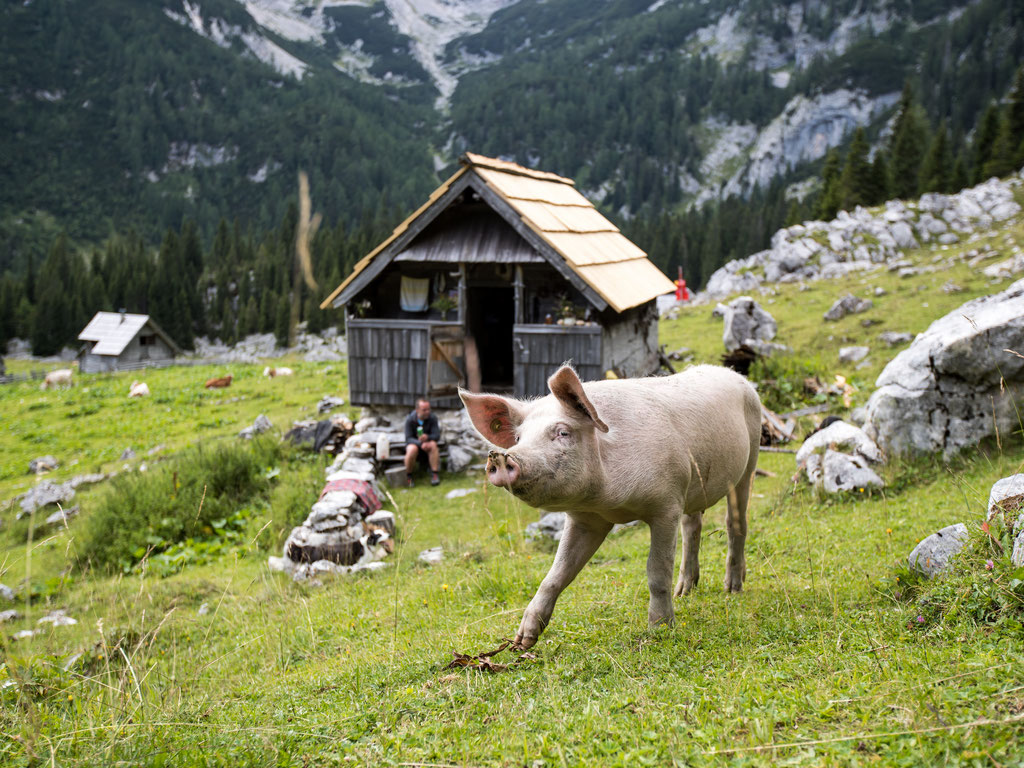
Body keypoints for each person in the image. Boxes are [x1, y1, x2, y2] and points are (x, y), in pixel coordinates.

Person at [404, 397, 441, 487]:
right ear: (417, 410)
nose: (427, 412)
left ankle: (434, 474)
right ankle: (408, 476)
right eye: (424, 410)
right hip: (415, 445)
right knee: (412, 449)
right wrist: (420, 443)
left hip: (428, 445)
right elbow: (408, 438)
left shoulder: (432, 418)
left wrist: (427, 437)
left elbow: (437, 435)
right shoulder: (410, 419)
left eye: (428, 409)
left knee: (433, 444)